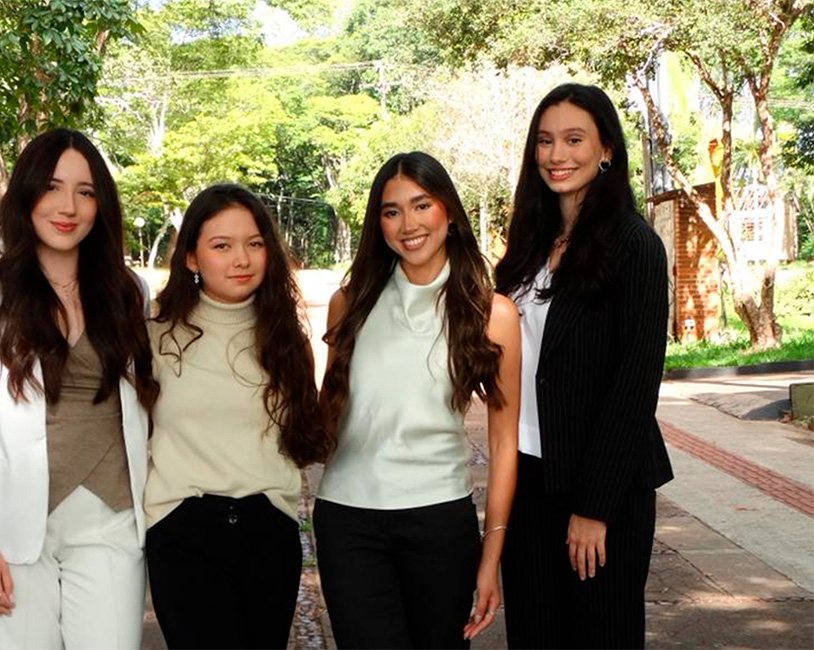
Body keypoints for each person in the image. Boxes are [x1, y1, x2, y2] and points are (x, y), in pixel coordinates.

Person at [0, 128, 159, 649]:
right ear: (26, 193)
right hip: (8, 522)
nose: (68, 206)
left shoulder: (128, 291)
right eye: (52, 187)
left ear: (101, 204)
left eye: (85, 191)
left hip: (110, 518)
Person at [314, 152, 521, 649]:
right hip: (348, 521)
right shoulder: (349, 304)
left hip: (440, 522)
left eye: (421, 205)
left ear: (449, 212)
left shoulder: (492, 314)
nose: (408, 224)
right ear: (378, 223)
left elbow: (504, 443)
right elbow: (328, 418)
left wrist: (491, 556)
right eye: (392, 211)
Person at [494, 83, 674, 649]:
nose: (557, 155)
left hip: (602, 486)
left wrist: (594, 508)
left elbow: (634, 386)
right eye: (545, 141)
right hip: (527, 478)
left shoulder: (635, 245)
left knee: (602, 635)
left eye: (574, 140)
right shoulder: (529, 243)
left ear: (606, 150)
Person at [144, 184, 334, 649]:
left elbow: (302, 435)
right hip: (182, 527)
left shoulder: (285, 338)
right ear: (192, 258)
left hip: (268, 528)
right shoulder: (153, 336)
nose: (241, 260)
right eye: (222, 246)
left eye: (254, 244)